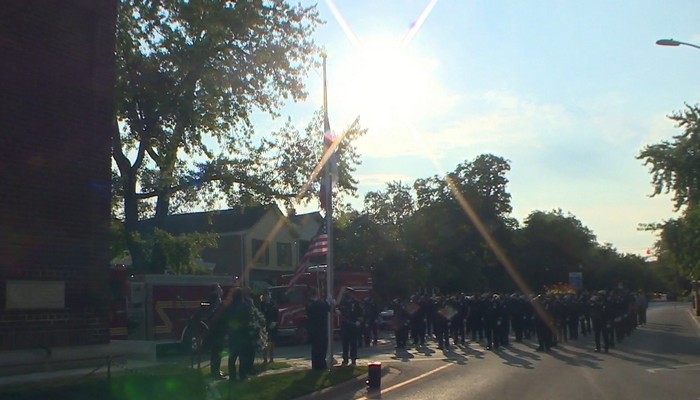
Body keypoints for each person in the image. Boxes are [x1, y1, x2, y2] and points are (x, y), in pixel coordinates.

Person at [306, 293, 330, 370]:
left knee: (318, 348)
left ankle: (317, 365)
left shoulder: (312, 304)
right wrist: (326, 303)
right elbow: (323, 310)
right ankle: (320, 365)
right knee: (320, 349)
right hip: (319, 329)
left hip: (316, 329)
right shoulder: (314, 304)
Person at [206, 284, 226, 380]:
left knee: (215, 352)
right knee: (217, 352)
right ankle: (216, 372)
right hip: (218, 331)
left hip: (214, 331)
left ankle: (215, 370)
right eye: (219, 288)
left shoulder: (213, 300)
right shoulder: (217, 301)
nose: (221, 290)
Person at [259, 292, 278, 363]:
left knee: (271, 343)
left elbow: (276, 313)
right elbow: (260, 315)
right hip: (264, 326)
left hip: (272, 325)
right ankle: (265, 359)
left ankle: (271, 359)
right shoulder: (261, 305)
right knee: (264, 343)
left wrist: (275, 322)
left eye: (267, 295)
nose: (266, 297)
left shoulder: (273, 305)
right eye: (264, 296)